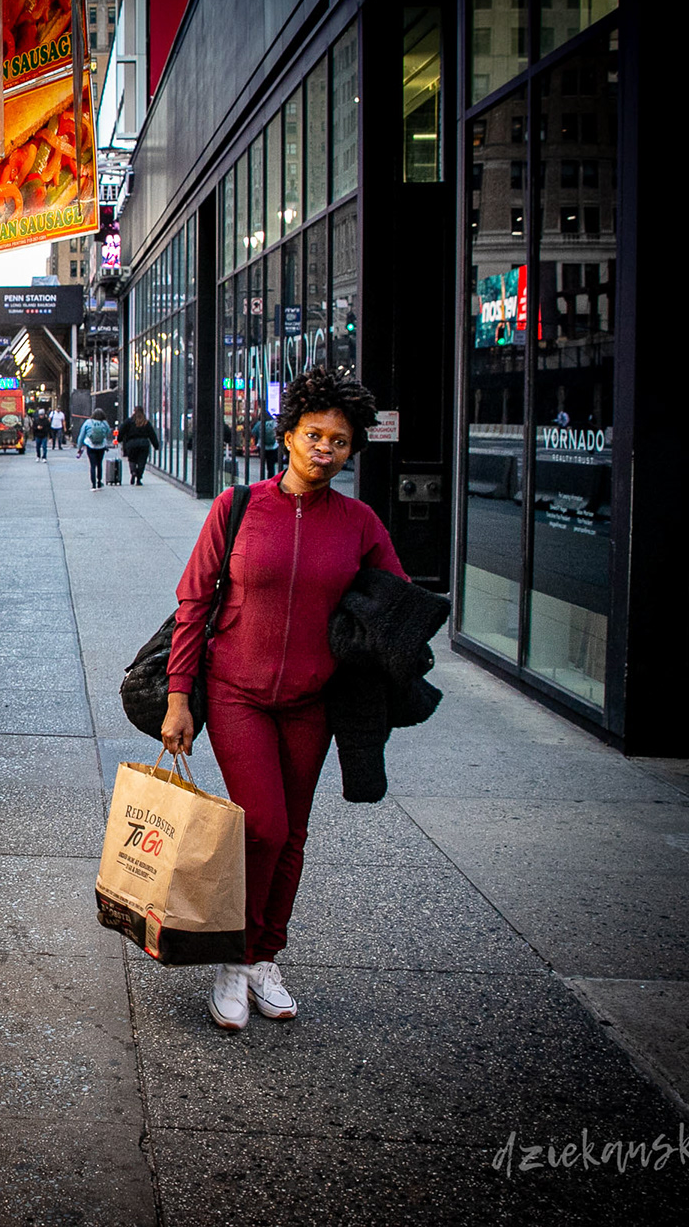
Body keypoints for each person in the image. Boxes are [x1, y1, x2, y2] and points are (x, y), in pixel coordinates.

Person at [159, 369, 405, 1033]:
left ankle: (265, 955)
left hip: (312, 702)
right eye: (314, 435)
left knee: (291, 833)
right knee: (261, 823)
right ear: (289, 435)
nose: (325, 449)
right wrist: (180, 695)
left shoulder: (360, 523)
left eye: (340, 441)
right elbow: (194, 601)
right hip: (236, 692)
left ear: (352, 450)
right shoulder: (238, 506)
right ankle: (234, 958)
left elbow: (398, 607)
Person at [118, 406, 160, 486]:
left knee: (132, 460)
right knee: (142, 461)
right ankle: (139, 478)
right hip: (143, 443)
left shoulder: (129, 421)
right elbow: (152, 435)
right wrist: (156, 445)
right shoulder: (146, 422)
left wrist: (119, 439)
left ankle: (133, 472)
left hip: (131, 443)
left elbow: (122, 430)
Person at [75, 408, 112, 489]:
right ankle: (99, 482)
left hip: (90, 445)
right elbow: (108, 432)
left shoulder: (88, 422)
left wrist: (79, 447)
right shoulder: (104, 423)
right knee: (99, 464)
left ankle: (93, 484)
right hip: (101, 446)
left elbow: (81, 436)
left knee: (92, 465)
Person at [253, 412, 280, 479]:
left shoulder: (259, 423)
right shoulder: (274, 423)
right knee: (271, 466)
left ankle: (262, 479)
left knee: (263, 465)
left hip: (263, 447)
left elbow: (253, 432)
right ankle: (271, 478)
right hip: (273, 447)